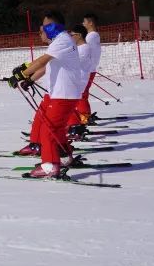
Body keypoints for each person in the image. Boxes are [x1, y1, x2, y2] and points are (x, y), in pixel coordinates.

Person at [13, 10, 85, 179]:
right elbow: (45, 67)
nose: (43, 29)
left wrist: (20, 75)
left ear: (54, 26)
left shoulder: (62, 41)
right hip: (61, 93)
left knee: (49, 129)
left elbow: (41, 62)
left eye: (46, 26)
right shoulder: (60, 42)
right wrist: (29, 78)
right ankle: (64, 156)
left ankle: (50, 165)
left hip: (63, 94)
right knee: (56, 128)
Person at [75, 13, 102, 124]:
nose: (83, 23)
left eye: (84, 21)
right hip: (89, 68)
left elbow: (86, 51)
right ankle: (85, 115)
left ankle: (85, 117)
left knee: (81, 94)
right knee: (82, 93)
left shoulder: (91, 36)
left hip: (87, 69)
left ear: (90, 23)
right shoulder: (93, 36)